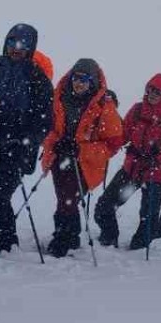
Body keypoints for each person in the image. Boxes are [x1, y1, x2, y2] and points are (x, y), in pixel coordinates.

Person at [0, 24, 54, 257]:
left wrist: (26, 141)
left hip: (19, 148)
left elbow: (45, 119)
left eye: (23, 44)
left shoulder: (38, 77)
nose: (16, 48)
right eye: (12, 42)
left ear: (31, 47)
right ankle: (7, 239)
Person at [39, 59, 123, 258]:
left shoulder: (103, 105)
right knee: (64, 199)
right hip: (59, 158)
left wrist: (80, 149)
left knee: (68, 200)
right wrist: (54, 142)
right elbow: (47, 128)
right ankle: (72, 236)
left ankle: (62, 238)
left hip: (86, 164)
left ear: (92, 82)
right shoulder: (59, 98)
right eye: (76, 78)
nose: (79, 83)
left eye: (84, 79)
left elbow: (113, 143)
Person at [93, 73, 161, 251]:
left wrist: (160, 153)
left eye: (158, 92)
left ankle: (140, 249)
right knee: (104, 206)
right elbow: (121, 135)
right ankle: (109, 237)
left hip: (157, 175)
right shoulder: (137, 110)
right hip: (132, 169)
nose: (152, 94)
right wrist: (102, 147)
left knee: (148, 217)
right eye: (150, 89)